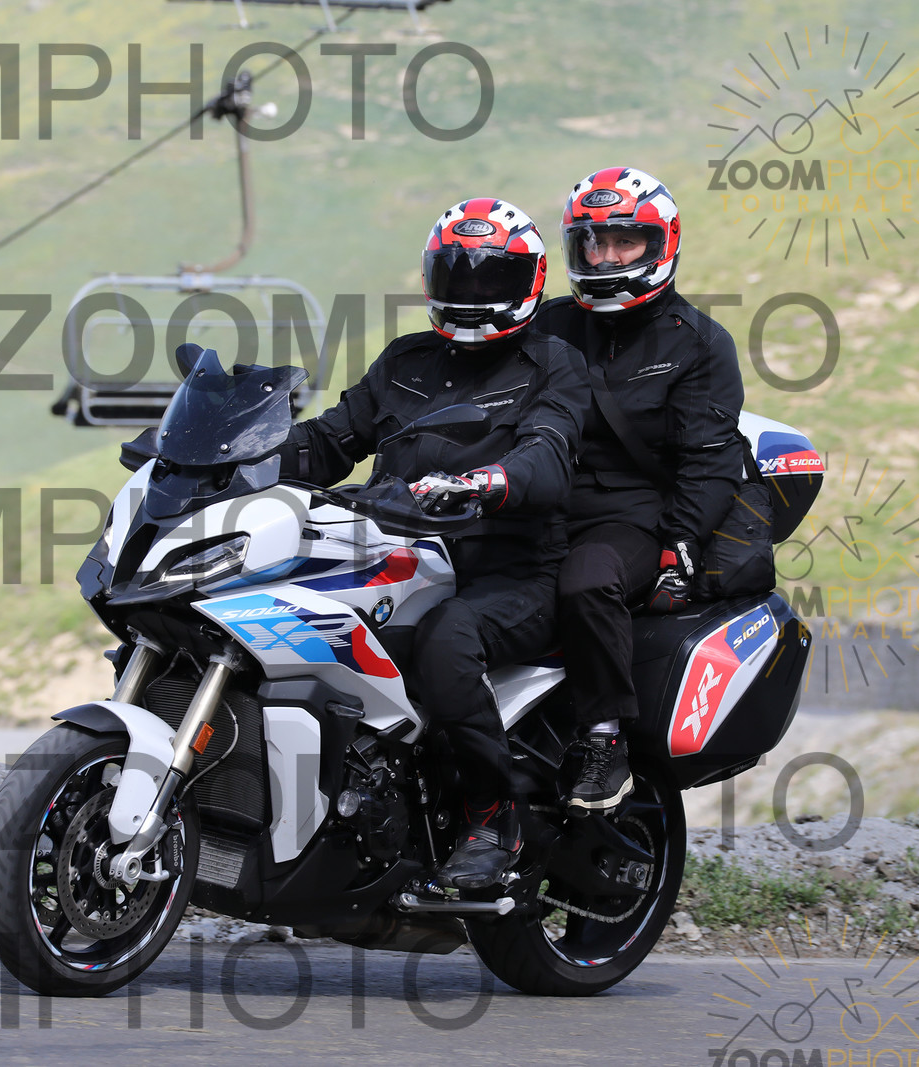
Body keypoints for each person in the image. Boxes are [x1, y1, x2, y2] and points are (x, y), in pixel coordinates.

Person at [274, 198, 587, 888]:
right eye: (456, 275)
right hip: (398, 560)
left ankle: (492, 815)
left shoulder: (552, 363)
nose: (472, 293)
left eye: (490, 277)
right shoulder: (406, 361)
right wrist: (248, 454)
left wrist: (490, 481)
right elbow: (331, 440)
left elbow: (549, 451)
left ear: (529, 281)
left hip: (509, 574)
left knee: (447, 641)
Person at [534, 167, 747, 815]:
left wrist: (680, 545)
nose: (605, 257)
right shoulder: (549, 324)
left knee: (587, 582)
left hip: (629, 515)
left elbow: (709, 460)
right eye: (592, 242)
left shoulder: (699, 342)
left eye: (624, 241)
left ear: (661, 243)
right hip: (536, 503)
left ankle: (606, 740)